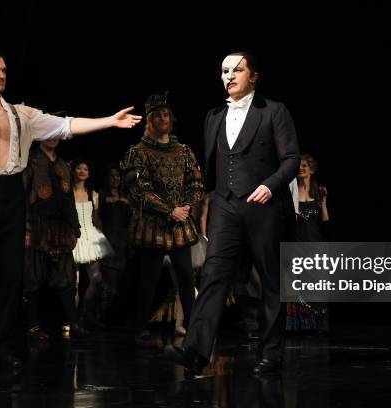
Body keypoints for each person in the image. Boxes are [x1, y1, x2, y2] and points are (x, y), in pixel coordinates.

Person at [0, 48, 141, 372]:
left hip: (11, 198)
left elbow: (66, 126)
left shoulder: (22, 115)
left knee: (11, 278)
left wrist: (109, 121)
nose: (1, 75)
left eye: (4, 70)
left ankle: (1, 348)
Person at [165, 52, 300, 375]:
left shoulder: (273, 111)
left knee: (269, 281)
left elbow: (291, 159)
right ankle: (195, 352)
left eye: (237, 70)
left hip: (264, 206)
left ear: (253, 76)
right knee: (213, 275)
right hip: (225, 205)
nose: (229, 76)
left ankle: (271, 353)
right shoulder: (213, 115)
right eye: (224, 71)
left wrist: (270, 185)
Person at [121, 92, 204, 343]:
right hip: (153, 225)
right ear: (149, 120)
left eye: (166, 114)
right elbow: (138, 190)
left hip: (180, 223)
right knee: (148, 280)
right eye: (157, 115)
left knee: (186, 279)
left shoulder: (184, 151)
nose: (163, 118)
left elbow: (196, 182)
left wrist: (187, 205)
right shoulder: (139, 152)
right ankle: (139, 329)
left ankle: (192, 327)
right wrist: (170, 210)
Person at [24, 138, 88, 342]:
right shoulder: (31, 161)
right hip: (37, 226)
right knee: (34, 277)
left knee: (65, 278)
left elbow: (69, 200)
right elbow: (22, 196)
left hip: (60, 228)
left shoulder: (63, 164)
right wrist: (25, 228)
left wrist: (75, 228)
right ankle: (33, 326)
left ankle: (74, 323)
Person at [286, 154, 330, 333]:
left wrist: (325, 203)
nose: (301, 168)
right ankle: (298, 326)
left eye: (304, 166)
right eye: (299, 165)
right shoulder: (290, 192)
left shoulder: (319, 192)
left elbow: (325, 222)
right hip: (297, 244)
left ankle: (316, 325)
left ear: (311, 170)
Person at [71, 158, 113, 329]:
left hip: (90, 237)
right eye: (79, 168)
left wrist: (102, 237)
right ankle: (73, 320)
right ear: (73, 171)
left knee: (96, 279)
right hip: (74, 237)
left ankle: (85, 314)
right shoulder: (68, 192)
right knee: (73, 283)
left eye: (85, 169)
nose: (82, 171)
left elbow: (96, 219)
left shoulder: (93, 195)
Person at [98, 164, 133, 323]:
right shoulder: (102, 195)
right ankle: (103, 316)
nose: (115, 179)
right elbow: (98, 218)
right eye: (112, 176)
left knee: (120, 283)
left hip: (123, 242)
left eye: (118, 176)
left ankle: (115, 317)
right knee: (108, 283)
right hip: (108, 240)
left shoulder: (125, 196)